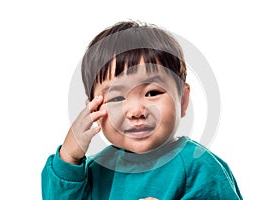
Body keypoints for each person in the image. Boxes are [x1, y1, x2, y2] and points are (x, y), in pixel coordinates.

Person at [41, 21, 243, 200]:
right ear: (93, 109)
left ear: (182, 100)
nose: (136, 110)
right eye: (117, 97)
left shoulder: (198, 167)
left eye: (152, 92)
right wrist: (69, 158)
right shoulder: (99, 168)